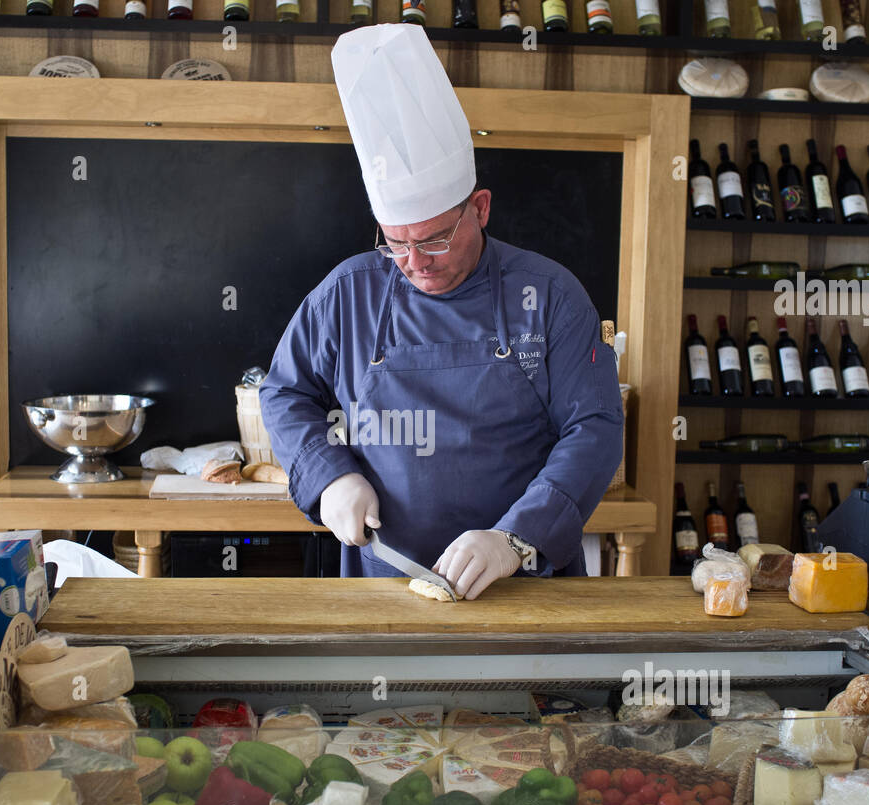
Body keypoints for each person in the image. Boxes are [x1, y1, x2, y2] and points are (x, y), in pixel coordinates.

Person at [260, 24, 623, 599]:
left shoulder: (551, 295)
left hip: (524, 586)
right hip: (385, 584)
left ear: (479, 209)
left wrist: (517, 539)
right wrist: (329, 477)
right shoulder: (347, 293)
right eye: (395, 243)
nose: (414, 263)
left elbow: (596, 428)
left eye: (433, 240)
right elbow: (284, 393)